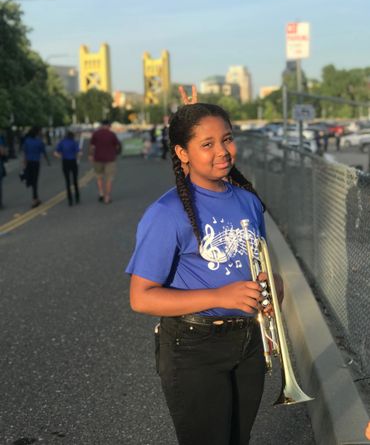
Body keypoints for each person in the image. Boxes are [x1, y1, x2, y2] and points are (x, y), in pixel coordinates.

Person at [126, 87, 284, 445]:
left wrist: (272, 287)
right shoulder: (166, 213)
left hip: (247, 342)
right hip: (192, 347)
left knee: (237, 439)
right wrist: (221, 295)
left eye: (226, 139)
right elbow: (141, 298)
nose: (222, 152)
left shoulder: (248, 200)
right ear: (183, 153)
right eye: (207, 144)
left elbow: (256, 263)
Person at [89, 120, 121, 204]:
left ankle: (101, 193)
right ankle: (107, 197)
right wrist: (115, 153)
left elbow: (92, 147)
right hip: (110, 159)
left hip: (98, 158)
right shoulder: (112, 134)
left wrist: (91, 155)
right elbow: (117, 146)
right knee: (109, 179)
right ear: (109, 126)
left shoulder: (96, 134)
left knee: (99, 177)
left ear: (101, 125)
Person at [22, 127, 50, 208]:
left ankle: (35, 197)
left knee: (32, 179)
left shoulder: (27, 141)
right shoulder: (39, 141)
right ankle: (35, 198)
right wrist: (47, 161)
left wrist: (24, 163)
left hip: (29, 162)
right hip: (36, 162)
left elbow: (25, 153)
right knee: (35, 180)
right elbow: (43, 151)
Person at [54, 131, 82, 206]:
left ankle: (70, 199)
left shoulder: (62, 142)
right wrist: (78, 157)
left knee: (67, 181)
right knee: (75, 180)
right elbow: (79, 152)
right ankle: (77, 197)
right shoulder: (74, 142)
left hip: (65, 161)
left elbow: (56, 153)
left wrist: (61, 157)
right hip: (73, 161)